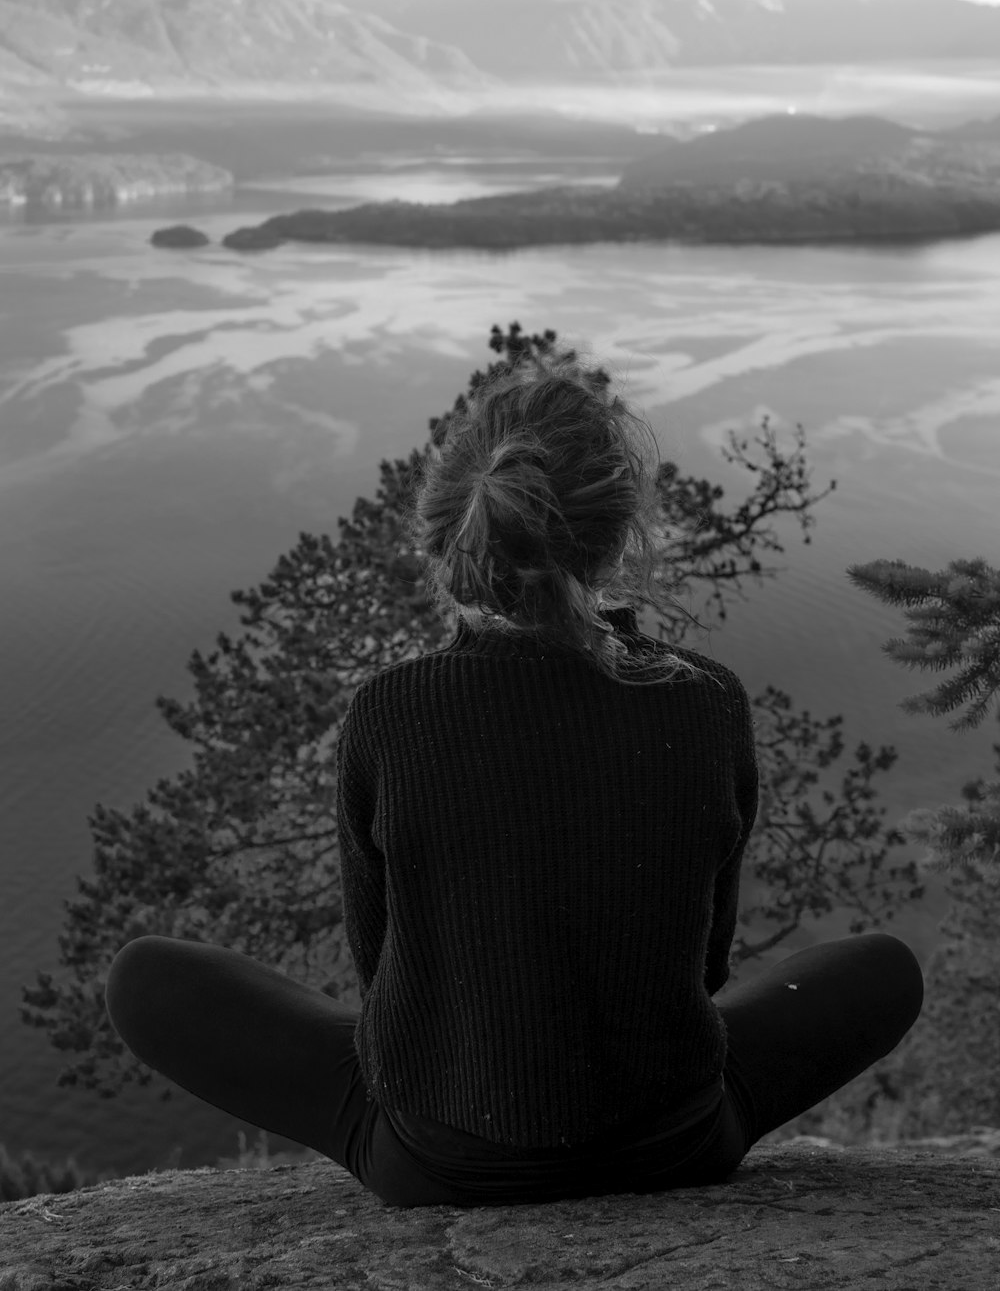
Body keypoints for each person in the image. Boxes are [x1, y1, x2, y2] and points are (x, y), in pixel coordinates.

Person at [105, 348, 924, 1208]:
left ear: (447, 528)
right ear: (618, 536)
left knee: (145, 980)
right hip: (674, 1141)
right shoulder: (705, 701)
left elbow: (381, 967)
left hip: (434, 1160)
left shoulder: (392, 712)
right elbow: (707, 966)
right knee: (883, 969)